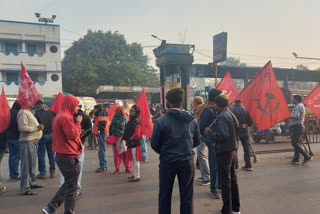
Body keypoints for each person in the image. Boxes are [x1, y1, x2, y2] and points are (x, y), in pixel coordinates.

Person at [151, 87, 201, 214]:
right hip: (187, 161)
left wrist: (166, 152)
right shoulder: (192, 120)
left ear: (169, 102)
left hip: (168, 161)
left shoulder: (161, 121)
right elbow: (196, 141)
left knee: (164, 196)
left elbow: (154, 144)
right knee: (187, 196)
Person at [42, 94, 83, 214]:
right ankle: (64, 210)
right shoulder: (66, 117)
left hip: (63, 155)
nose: (77, 109)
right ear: (71, 104)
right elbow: (73, 135)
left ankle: (51, 207)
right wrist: (78, 123)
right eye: (77, 106)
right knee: (72, 188)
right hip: (68, 155)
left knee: (69, 183)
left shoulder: (60, 116)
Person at [205, 94, 240, 214]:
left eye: (215, 103)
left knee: (225, 182)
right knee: (232, 180)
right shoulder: (230, 114)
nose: (213, 105)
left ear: (219, 105)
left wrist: (210, 132)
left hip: (224, 151)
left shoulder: (223, 117)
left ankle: (227, 209)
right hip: (232, 150)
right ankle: (235, 208)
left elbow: (221, 136)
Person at [60, 108, 91, 199]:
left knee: (68, 169)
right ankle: (73, 190)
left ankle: (68, 190)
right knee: (76, 169)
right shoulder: (68, 117)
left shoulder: (64, 116)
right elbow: (75, 133)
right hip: (74, 146)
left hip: (69, 146)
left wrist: (80, 135)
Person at [17, 104, 44, 195]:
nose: (34, 104)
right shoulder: (23, 112)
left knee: (31, 165)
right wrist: (36, 128)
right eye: (32, 102)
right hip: (27, 141)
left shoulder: (28, 112)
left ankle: (32, 183)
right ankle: (25, 188)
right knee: (26, 166)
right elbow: (22, 128)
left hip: (32, 141)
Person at [199, 89, 222, 199]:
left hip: (219, 140)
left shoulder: (220, 110)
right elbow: (202, 127)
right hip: (212, 141)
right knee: (214, 166)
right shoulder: (208, 110)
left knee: (218, 165)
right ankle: (213, 189)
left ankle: (218, 186)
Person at [35, 99, 56, 179]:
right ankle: (52, 172)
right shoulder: (51, 112)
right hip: (51, 134)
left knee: (41, 154)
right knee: (51, 154)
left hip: (42, 135)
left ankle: (43, 172)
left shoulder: (37, 113)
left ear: (38, 105)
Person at [195, 95, 212, 187]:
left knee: (202, 156)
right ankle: (205, 175)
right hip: (204, 136)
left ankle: (207, 178)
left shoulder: (204, 110)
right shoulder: (202, 109)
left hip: (204, 136)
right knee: (202, 156)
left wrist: (200, 133)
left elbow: (202, 124)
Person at [231, 100, 254, 171]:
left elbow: (232, 123)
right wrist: (247, 125)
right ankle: (248, 165)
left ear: (235, 103)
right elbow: (250, 122)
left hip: (236, 132)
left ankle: (235, 166)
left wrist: (239, 126)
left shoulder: (232, 110)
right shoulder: (245, 109)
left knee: (235, 149)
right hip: (245, 132)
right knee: (246, 149)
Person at [289, 95, 312, 165]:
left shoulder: (299, 106)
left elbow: (296, 116)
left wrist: (288, 115)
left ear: (296, 99)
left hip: (297, 126)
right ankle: (296, 159)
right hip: (297, 126)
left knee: (294, 143)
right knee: (297, 143)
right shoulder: (297, 105)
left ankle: (307, 156)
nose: (292, 100)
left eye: (293, 99)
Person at [123, 105, 143, 182]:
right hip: (132, 142)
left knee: (135, 160)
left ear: (136, 112)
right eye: (130, 111)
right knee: (134, 160)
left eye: (132, 111)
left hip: (134, 143)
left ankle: (137, 176)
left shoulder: (136, 121)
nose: (130, 112)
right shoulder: (132, 120)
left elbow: (137, 134)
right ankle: (136, 174)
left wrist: (131, 138)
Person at [109, 106, 131, 174]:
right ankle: (119, 168)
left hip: (122, 138)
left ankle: (126, 168)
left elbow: (127, 128)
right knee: (119, 154)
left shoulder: (120, 118)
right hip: (118, 138)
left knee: (123, 154)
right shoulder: (123, 118)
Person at [93, 104, 110, 173]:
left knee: (101, 150)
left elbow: (102, 123)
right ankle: (104, 165)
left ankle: (103, 166)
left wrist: (99, 131)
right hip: (103, 132)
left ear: (97, 109)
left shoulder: (101, 113)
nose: (93, 110)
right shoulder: (102, 113)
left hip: (102, 133)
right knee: (103, 149)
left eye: (94, 109)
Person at [7, 101, 21, 182]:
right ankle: (14, 176)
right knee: (16, 157)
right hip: (16, 137)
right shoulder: (17, 114)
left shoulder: (8, 113)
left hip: (8, 138)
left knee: (11, 157)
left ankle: (11, 174)